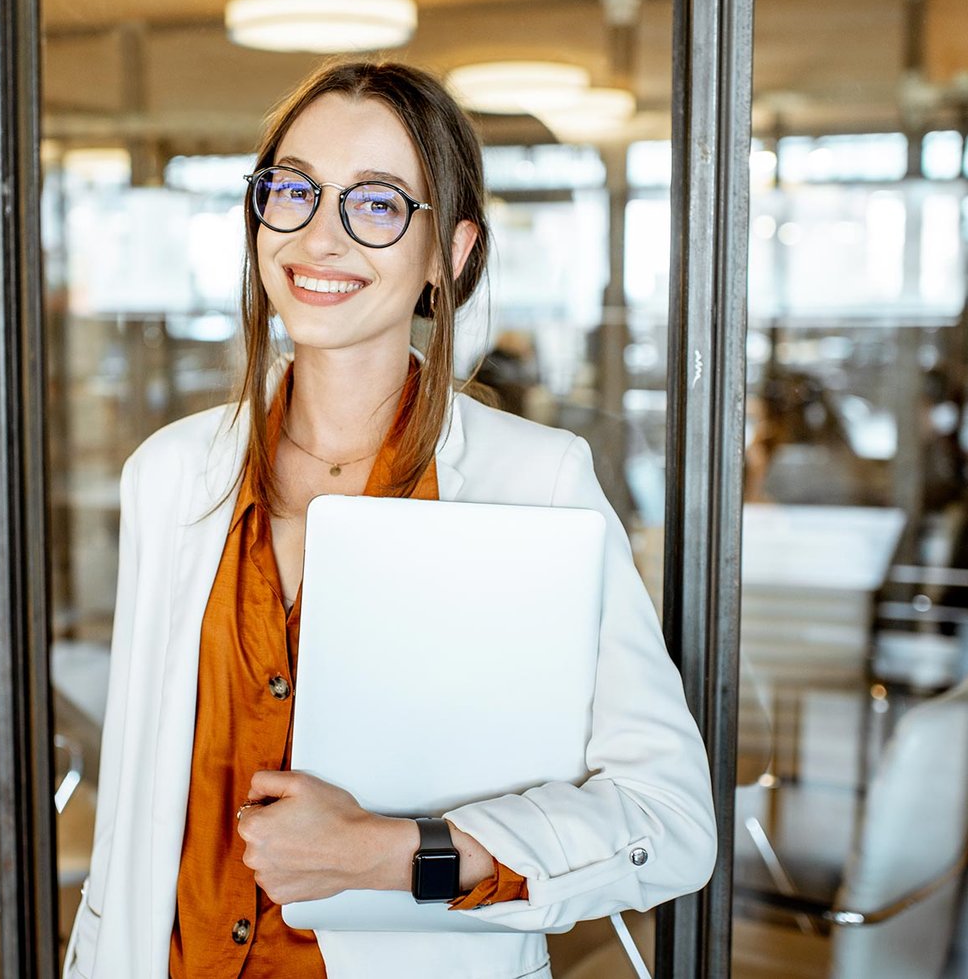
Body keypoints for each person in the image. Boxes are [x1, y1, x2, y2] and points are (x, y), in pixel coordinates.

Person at [63, 60, 715, 979]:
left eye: (374, 204)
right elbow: (138, 810)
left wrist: (391, 853)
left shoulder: (536, 481)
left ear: (448, 254)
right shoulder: (169, 476)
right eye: (294, 191)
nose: (318, 237)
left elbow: (669, 820)